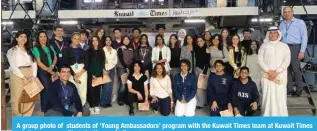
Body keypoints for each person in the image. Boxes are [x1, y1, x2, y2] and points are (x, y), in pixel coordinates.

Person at [258, 26, 291, 116]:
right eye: (271, 33)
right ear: (268, 34)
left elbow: (287, 60)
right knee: (267, 96)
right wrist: (269, 71)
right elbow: (260, 60)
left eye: (275, 33)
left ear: (278, 34)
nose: (273, 35)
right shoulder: (263, 46)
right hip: (267, 76)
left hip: (280, 76)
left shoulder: (284, 46)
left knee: (280, 96)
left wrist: (277, 72)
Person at [7, 31, 38, 116]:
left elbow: (34, 63)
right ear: (16, 38)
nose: (23, 38)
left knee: (30, 97)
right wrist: (23, 78)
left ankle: (26, 119)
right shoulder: (12, 50)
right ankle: (18, 120)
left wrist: (34, 75)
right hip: (18, 74)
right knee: (17, 98)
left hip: (30, 72)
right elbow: (14, 66)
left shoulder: (29, 50)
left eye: (25, 37)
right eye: (21, 36)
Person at [280, 7, 308, 97]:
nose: (287, 14)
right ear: (283, 13)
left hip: (295, 47)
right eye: (285, 12)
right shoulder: (282, 24)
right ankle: (290, 89)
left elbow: (304, 37)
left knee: (296, 69)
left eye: (288, 12)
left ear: (292, 12)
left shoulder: (300, 22)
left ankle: (299, 89)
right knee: (286, 69)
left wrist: (302, 51)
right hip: (284, 47)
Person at [32, 31, 58, 116]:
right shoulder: (35, 48)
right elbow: (38, 62)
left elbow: (55, 57)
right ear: (38, 39)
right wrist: (48, 69)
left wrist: (53, 66)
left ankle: (50, 107)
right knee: (45, 90)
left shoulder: (50, 46)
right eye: (41, 37)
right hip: (42, 72)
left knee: (51, 89)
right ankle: (43, 110)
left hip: (51, 70)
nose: (43, 38)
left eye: (44, 36)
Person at [62, 32, 88, 107]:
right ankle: (71, 105)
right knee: (70, 89)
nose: (77, 40)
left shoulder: (83, 51)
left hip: (82, 71)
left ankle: (82, 104)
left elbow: (87, 64)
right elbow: (66, 63)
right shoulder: (66, 50)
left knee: (82, 89)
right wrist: (74, 75)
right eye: (75, 38)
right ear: (72, 39)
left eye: (78, 39)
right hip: (70, 71)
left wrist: (79, 73)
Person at [87, 36, 105, 114]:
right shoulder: (88, 51)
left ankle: (96, 105)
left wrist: (97, 74)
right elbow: (87, 64)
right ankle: (91, 106)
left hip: (99, 74)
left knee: (98, 90)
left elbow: (102, 63)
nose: (95, 42)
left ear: (98, 41)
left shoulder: (101, 51)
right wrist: (92, 74)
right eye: (93, 41)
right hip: (90, 74)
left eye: (96, 40)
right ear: (91, 42)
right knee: (91, 91)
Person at [117, 35, 134, 106]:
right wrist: (126, 67)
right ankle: (120, 99)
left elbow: (132, 60)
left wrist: (130, 68)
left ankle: (125, 99)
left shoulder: (131, 49)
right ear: (122, 41)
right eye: (124, 39)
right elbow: (121, 59)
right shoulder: (120, 48)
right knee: (123, 85)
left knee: (128, 85)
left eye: (127, 39)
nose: (126, 41)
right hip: (122, 69)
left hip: (129, 69)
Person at [101, 36, 118, 108]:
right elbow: (101, 61)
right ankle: (103, 102)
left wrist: (108, 62)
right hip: (104, 70)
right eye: (106, 40)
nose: (108, 41)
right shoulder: (102, 50)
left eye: (109, 40)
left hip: (112, 69)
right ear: (105, 42)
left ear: (111, 41)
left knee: (110, 86)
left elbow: (115, 61)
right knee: (106, 87)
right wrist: (104, 69)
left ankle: (108, 102)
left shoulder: (114, 51)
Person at [194, 36, 210, 109]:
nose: (199, 42)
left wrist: (204, 71)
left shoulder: (207, 49)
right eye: (198, 41)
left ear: (204, 41)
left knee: (202, 87)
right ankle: (201, 102)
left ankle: (201, 104)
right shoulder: (196, 49)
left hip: (204, 70)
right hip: (197, 69)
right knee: (198, 87)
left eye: (201, 41)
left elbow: (208, 61)